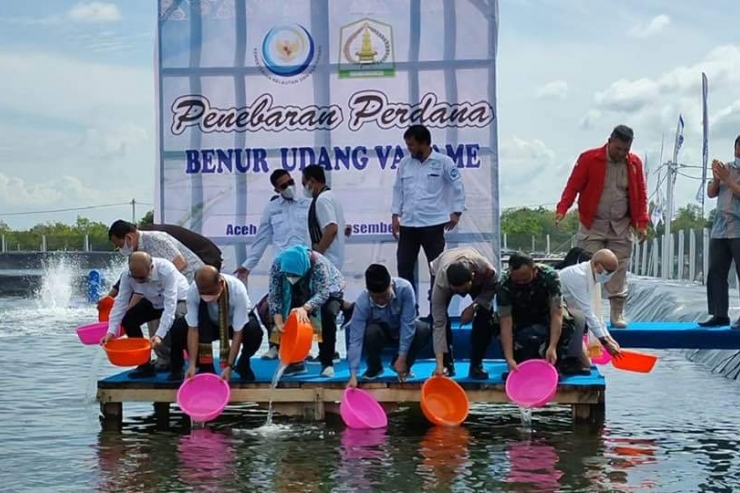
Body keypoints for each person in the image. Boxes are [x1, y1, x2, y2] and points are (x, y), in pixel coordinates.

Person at [556, 125, 648, 328]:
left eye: (626, 150)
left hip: (621, 224)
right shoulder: (589, 158)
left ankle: (617, 312)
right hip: (593, 224)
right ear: (610, 141)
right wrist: (563, 208)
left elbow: (640, 194)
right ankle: (581, 313)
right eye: (618, 149)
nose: (622, 153)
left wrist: (642, 222)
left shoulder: (634, 164)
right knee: (587, 267)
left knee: (620, 266)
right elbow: (573, 185)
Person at [234, 169, 311, 358]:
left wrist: (344, 228)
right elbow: (262, 237)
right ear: (277, 190)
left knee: (304, 307)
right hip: (281, 265)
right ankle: (275, 346)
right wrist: (247, 265)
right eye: (283, 185)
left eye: (290, 182)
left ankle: (304, 348)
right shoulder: (272, 208)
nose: (289, 187)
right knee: (276, 305)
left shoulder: (308, 204)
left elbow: (325, 225)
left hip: (304, 263)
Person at [391, 124, 466, 301]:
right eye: (407, 144)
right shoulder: (405, 163)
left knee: (437, 268)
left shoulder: (443, 161)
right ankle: (409, 306)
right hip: (408, 223)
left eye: (412, 145)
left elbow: (458, 186)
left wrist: (457, 212)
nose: (409, 148)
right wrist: (395, 215)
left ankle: (436, 309)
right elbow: (397, 189)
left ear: (424, 143)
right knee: (404, 266)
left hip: (433, 224)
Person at [100, 252, 189, 378]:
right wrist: (111, 332)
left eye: (142, 278)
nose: (139, 282)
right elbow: (121, 303)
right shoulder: (127, 275)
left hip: (179, 299)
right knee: (129, 320)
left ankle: (177, 367)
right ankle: (144, 365)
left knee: (177, 325)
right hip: (153, 300)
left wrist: (159, 335)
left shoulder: (167, 270)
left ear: (151, 268)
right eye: (135, 278)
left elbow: (170, 306)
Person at [496, 252, 586, 376]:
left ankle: (558, 361)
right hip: (520, 315)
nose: (522, 283)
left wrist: (553, 346)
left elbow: (556, 313)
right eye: (517, 280)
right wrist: (509, 358)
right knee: (495, 323)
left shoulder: (550, 276)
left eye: (525, 279)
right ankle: (519, 359)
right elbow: (505, 323)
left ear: (535, 270)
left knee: (568, 320)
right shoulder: (503, 284)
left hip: (545, 312)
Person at [168, 266, 263, 382]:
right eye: (203, 293)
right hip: (207, 324)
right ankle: (197, 367)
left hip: (232, 325)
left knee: (254, 331)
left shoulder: (237, 289)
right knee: (178, 327)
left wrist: (229, 366)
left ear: (221, 283)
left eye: (212, 292)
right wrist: (191, 364)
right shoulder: (194, 290)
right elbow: (193, 329)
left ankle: (243, 363)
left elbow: (238, 332)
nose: (208, 297)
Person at [346, 264, 431, 386]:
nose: (381, 301)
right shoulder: (362, 302)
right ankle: (375, 367)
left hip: (403, 330)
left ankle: (403, 364)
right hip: (382, 333)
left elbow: (408, 324)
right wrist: (353, 375)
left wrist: (402, 358)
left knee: (423, 330)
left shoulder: (405, 288)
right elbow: (355, 340)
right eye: (375, 297)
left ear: (390, 285)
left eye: (384, 295)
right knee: (370, 332)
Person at [268, 245, 345, 377]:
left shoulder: (318, 264)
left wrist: (305, 308)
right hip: (301, 287)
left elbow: (323, 293)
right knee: (291, 313)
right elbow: (275, 294)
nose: (291, 278)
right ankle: (295, 363)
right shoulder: (278, 265)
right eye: (288, 275)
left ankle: (327, 362)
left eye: (294, 275)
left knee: (327, 314)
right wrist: (279, 320)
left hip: (330, 289)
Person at [429, 247, 498, 379]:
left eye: (464, 289)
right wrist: (438, 364)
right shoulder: (441, 284)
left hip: (475, 271)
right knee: (438, 319)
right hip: (441, 265)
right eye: (457, 290)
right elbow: (439, 324)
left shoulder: (485, 270)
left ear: (472, 276)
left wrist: (473, 307)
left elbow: (492, 287)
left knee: (485, 316)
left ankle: (477, 365)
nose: (461, 293)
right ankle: (445, 365)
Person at [700, 135, 740, 328]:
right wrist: (717, 179)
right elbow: (711, 192)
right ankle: (719, 314)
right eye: (738, 148)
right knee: (716, 272)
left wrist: (728, 180)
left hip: (738, 228)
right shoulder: (726, 167)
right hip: (720, 228)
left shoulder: (729, 174)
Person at [558, 249, 622, 357]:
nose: (609, 276)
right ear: (597, 265)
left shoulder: (593, 277)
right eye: (608, 272)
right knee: (580, 318)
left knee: (586, 364)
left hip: (567, 312)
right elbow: (588, 312)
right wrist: (605, 343)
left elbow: (597, 314)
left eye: (612, 273)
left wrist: (610, 339)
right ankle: (570, 357)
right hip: (555, 313)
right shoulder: (577, 276)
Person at [108, 220, 205, 282]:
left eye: (120, 245)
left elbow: (180, 263)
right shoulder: (136, 252)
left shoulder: (156, 240)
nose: (120, 249)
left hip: (194, 281)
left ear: (129, 238)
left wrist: (158, 283)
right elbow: (129, 277)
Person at [302, 164, 346, 270]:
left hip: (327, 261)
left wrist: (317, 255)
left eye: (304, 184)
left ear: (311, 181)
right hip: (334, 261)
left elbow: (331, 229)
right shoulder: (331, 196)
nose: (304, 188)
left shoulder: (322, 199)